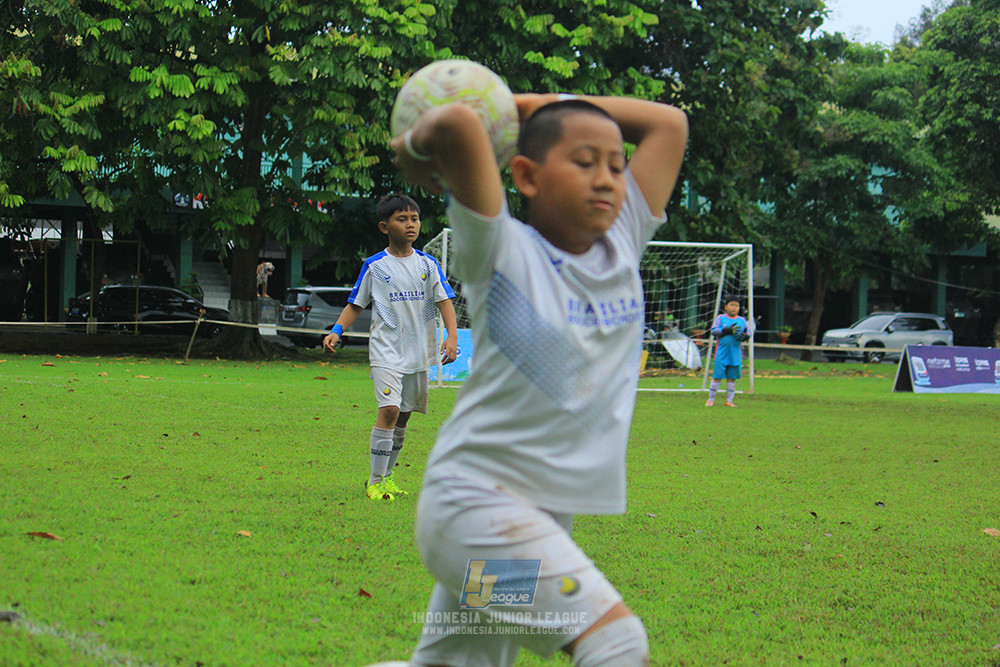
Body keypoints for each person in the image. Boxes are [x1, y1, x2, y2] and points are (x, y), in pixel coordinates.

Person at [390, 89, 687, 667]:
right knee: (617, 642)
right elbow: (454, 119)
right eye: (583, 161)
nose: (605, 178)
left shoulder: (623, 246)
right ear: (524, 175)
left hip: (528, 520)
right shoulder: (501, 250)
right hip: (476, 511)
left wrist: (525, 104)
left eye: (615, 165)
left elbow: (668, 124)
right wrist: (420, 143)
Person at [322, 193, 458, 501]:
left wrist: (452, 336)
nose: (411, 225)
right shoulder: (375, 266)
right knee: (390, 410)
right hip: (386, 351)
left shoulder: (427, 263)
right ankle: (374, 482)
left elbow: (444, 301)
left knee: (404, 416)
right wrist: (337, 329)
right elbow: (356, 303)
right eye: (402, 219)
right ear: (385, 227)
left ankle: (388, 475)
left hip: (418, 351)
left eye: (414, 218)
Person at [705, 298, 751, 408]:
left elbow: (748, 333)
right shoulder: (721, 318)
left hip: (735, 353)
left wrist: (745, 336)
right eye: (732, 305)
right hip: (721, 352)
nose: (734, 307)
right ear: (726, 307)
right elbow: (714, 331)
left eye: (736, 305)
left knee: (732, 377)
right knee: (717, 376)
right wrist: (724, 331)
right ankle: (711, 399)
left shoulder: (742, 320)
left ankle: (729, 401)